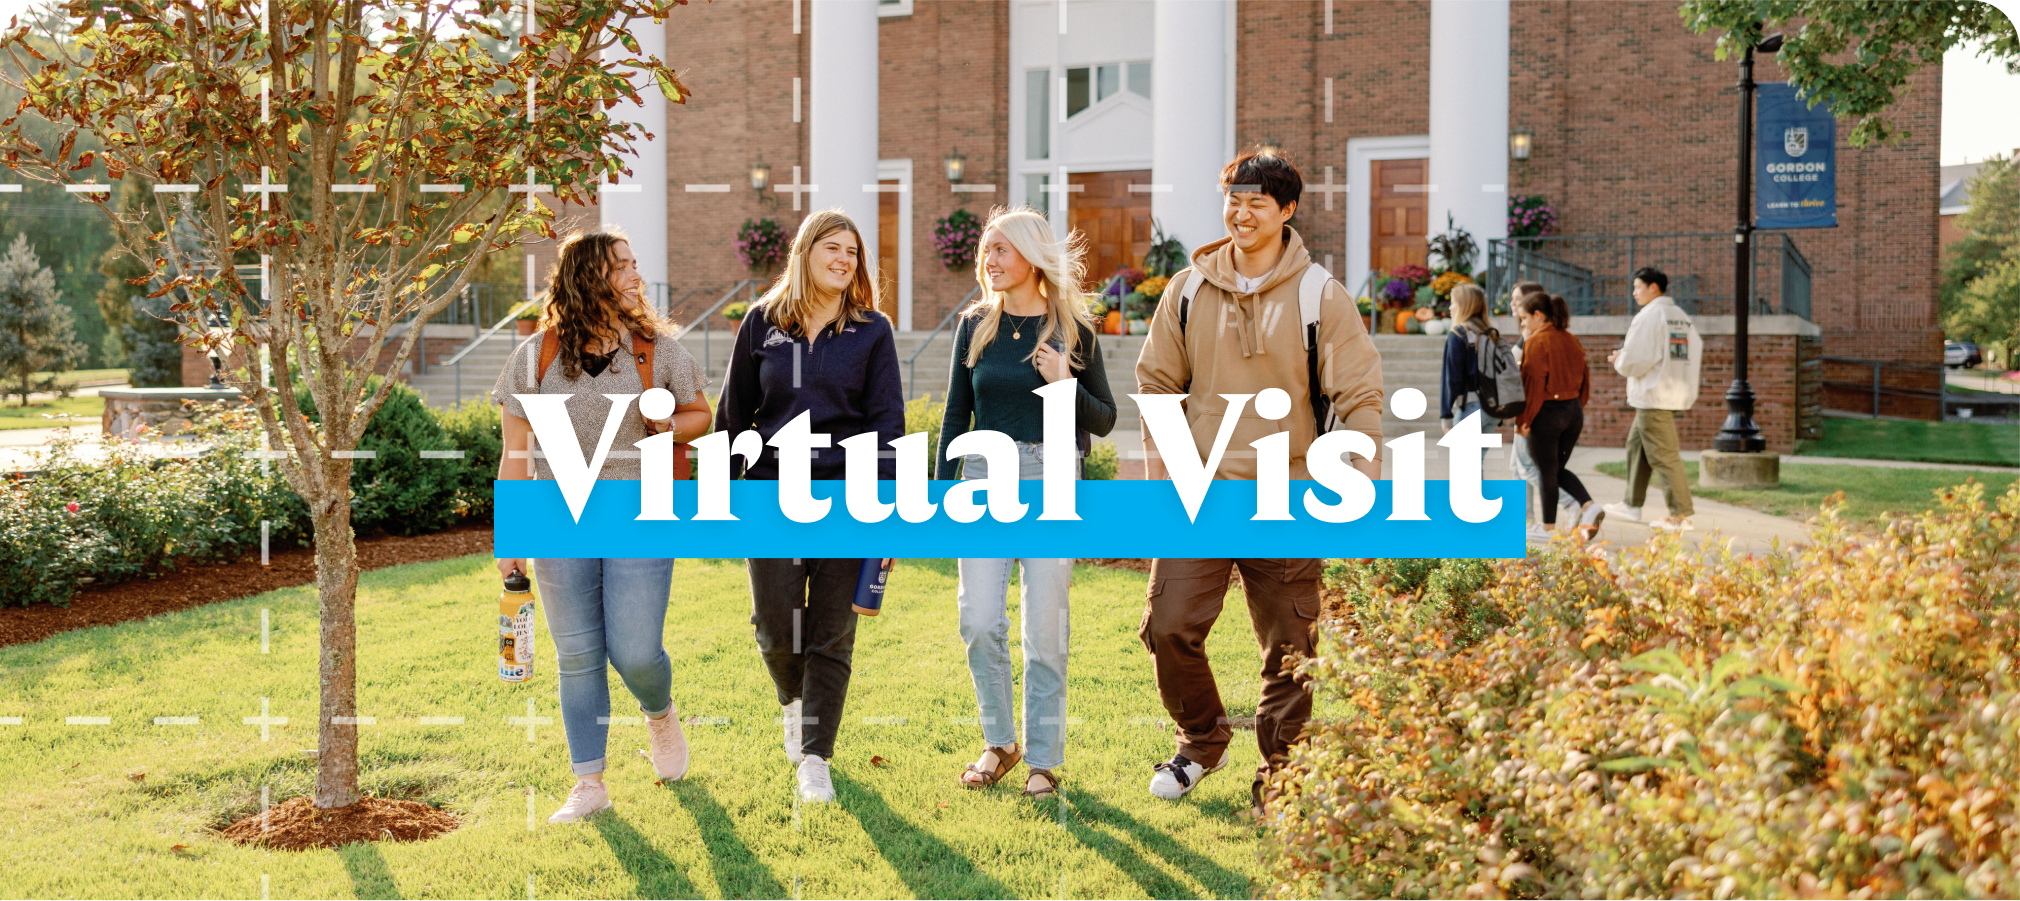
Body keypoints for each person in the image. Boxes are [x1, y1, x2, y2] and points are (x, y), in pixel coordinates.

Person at [1133, 150, 1385, 814]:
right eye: (1233, 202)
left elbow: (1359, 396)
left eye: (1258, 204)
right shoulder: (1186, 290)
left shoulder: (1319, 295)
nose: (1241, 215)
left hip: (1288, 493)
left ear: (1288, 210)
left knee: (1292, 647)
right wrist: (1169, 473)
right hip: (1202, 495)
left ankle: (1282, 770)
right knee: (1168, 625)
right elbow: (1156, 384)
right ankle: (1200, 740)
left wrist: (1357, 480)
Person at [492, 230, 714, 823]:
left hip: (640, 515)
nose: (636, 276)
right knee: (579, 653)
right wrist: (509, 537)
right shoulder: (535, 356)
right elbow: (516, 452)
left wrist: (665, 425)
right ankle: (588, 783)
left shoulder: (655, 350)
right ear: (589, 277)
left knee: (637, 650)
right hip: (558, 522)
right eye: (623, 267)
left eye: (636, 264)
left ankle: (659, 711)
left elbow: (701, 413)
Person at [714, 209, 906, 804]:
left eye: (854, 251)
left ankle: (816, 756)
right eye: (834, 247)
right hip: (771, 491)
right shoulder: (762, 323)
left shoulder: (872, 331)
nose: (846, 259)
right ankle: (794, 706)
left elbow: (887, 427)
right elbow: (731, 417)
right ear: (804, 252)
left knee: (831, 629)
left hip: (847, 496)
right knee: (774, 626)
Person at [937, 208, 1117, 799]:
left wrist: (1065, 382)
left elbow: (1107, 420)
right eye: (986, 250)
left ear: (1033, 257)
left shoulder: (1074, 331)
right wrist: (940, 494)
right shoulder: (975, 327)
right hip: (982, 475)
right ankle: (999, 743)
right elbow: (954, 417)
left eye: (1001, 250)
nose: (989, 260)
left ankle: (1042, 757)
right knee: (978, 620)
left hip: (1051, 475)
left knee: (1044, 626)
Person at [1603, 267, 1700, 532]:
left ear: (1653, 287)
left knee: (1664, 456)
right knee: (1637, 447)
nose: (1634, 292)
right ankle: (1631, 504)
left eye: (1637, 287)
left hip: (1652, 395)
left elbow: (1635, 360)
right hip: (1670, 393)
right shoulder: (1678, 316)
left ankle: (1680, 516)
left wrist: (1619, 359)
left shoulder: (1649, 316)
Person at [1511, 292, 1602, 545]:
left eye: (1524, 319)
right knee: (1555, 470)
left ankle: (1547, 527)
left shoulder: (1536, 343)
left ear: (1537, 315)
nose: (1523, 325)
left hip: (1547, 413)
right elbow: (1585, 379)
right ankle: (1588, 506)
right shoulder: (1571, 340)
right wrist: (1576, 406)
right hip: (1573, 411)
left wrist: (1522, 421)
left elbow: (1532, 387)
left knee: (1546, 472)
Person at [1505, 282, 1577, 525]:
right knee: (1518, 466)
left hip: (1537, 412)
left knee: (1531, 467)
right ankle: (1525, 517)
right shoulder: (1559, 337)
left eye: (1517, 300)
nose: (1512, 304)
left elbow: (1532, 384)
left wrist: (1523, 420)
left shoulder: (1535, 337)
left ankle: (1572, 503)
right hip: (1559, 409)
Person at [1438, 283, 1497, 454]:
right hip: (1492, 408)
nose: (1450, 307)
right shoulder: (1489, 333)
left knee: (1466, 471)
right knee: (1474, 466)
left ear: (1464, 305)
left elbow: (1451, 378)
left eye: (1453, 302)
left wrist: (1446, 416)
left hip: (1471, 407)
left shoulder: (1458, 333)